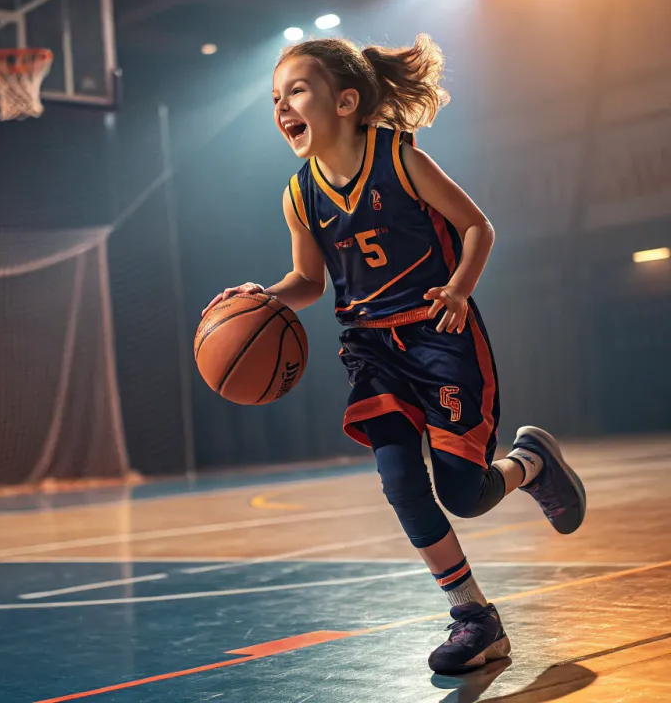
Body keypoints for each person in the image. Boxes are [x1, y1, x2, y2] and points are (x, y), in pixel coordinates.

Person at [201, 35, 586, 674]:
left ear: (346, 102)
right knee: (401, 482)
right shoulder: (299, 195)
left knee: (464, 494)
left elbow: (477, 226)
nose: (282, 106)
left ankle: (531, 464)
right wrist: (263, 296)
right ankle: (474, 617)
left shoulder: (402, 161)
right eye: (275, 98)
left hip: (440, 336)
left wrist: (458, 289)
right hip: (371, 348)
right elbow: (309, 281)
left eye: (297, 90)